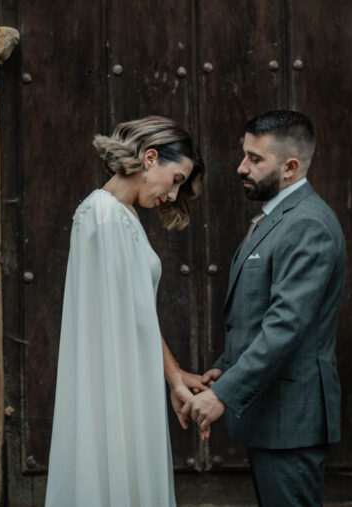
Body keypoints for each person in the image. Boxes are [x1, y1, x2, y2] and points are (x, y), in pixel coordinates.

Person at [183, 110, 346, 506]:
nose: (242, 167)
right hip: (271, 415)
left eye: (255, 159)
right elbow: (260, 314)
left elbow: (284, 327)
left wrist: (223, 394)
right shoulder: (281, 217)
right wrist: (227, 366)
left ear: (290, 167)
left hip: (291, 419)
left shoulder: (307, 224)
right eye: (245, 155)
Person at [45, 116, 207, 507]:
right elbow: (130, 316)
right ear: (149, 159)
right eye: (177, 179)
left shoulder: (120, 213)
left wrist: (174, 375)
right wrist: (172, 378)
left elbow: (137, 311)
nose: (174, 194)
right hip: (117, 378)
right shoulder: (106, 214)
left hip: (131, 371)